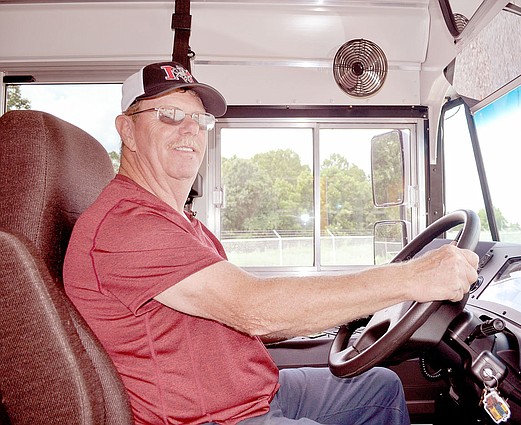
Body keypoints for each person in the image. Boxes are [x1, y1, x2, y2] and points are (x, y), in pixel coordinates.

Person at [63, 61, 479, 425]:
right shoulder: (127, 225)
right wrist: (412, 278)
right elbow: (253, 308)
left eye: (200, 119)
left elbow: (243, 310)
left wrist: (343, 308)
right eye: (169, 115)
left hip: (251, 393)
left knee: (380, 387)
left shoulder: (180, 222)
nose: (190, 129)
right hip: (207, 418)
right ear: (127, 131)